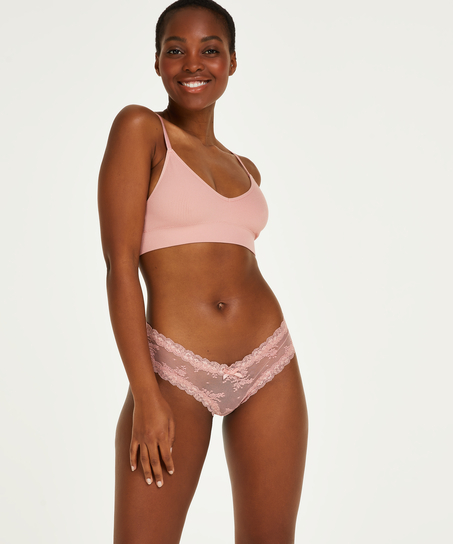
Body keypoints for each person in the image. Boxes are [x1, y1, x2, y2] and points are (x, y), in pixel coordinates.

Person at [98, 0, 308, 542]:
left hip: (269, 361)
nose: (193, 62)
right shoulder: (141, 129)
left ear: (232, 61)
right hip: (174, 371)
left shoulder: (245, 168)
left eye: (210, 50)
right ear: (157, 62)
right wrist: (145, 394)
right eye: (176, 50)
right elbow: (120, 267)